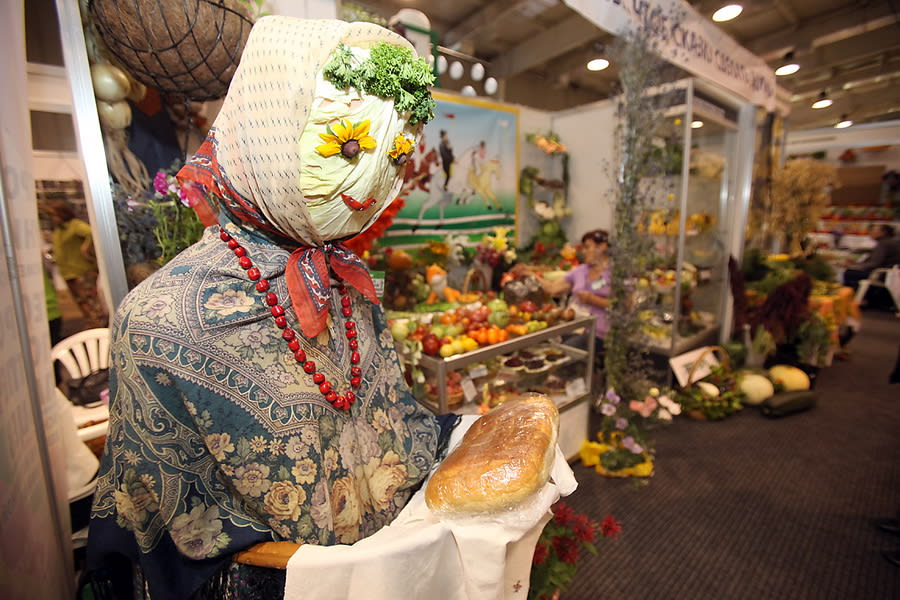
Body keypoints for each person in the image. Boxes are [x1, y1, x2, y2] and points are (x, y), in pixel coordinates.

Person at [85, 18, 445, 600]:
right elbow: (160, 543)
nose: (369, 188)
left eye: (394, 156)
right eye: (348, 146)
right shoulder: (159, 321)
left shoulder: (345, 281)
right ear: (269, 128)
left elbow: (397, 430)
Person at [542, 229, 612, 359]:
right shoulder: (580, 270)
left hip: (600, 333)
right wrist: (530, 275)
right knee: (546, 347)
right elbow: (553, 288)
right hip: (574, 326)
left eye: (587, 247)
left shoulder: (614, 273)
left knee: (563, 355)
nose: (583, 251)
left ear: (602, 247)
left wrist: (592, 299)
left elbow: (624, 306)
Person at [45, 199, 108, 329]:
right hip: (69, 274)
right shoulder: (58, 231)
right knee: (83, 305)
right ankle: (93, 329)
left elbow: (92, 233)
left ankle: (99, 330)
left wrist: (86, 246)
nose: (52, 218)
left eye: (53, 215)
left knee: (93, 305)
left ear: (62, 213)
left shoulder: (75, 225)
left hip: (82, 273)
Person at [842, 223, 900, 292]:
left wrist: (852, 266)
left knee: (850, 273)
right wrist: (856, 264)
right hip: (890, 273)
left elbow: (874, 263)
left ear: (883, 232)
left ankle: (849, 294)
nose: (870, 232)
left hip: (881, 274)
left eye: (873, 230)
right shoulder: (890, 241)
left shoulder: (884, 244)